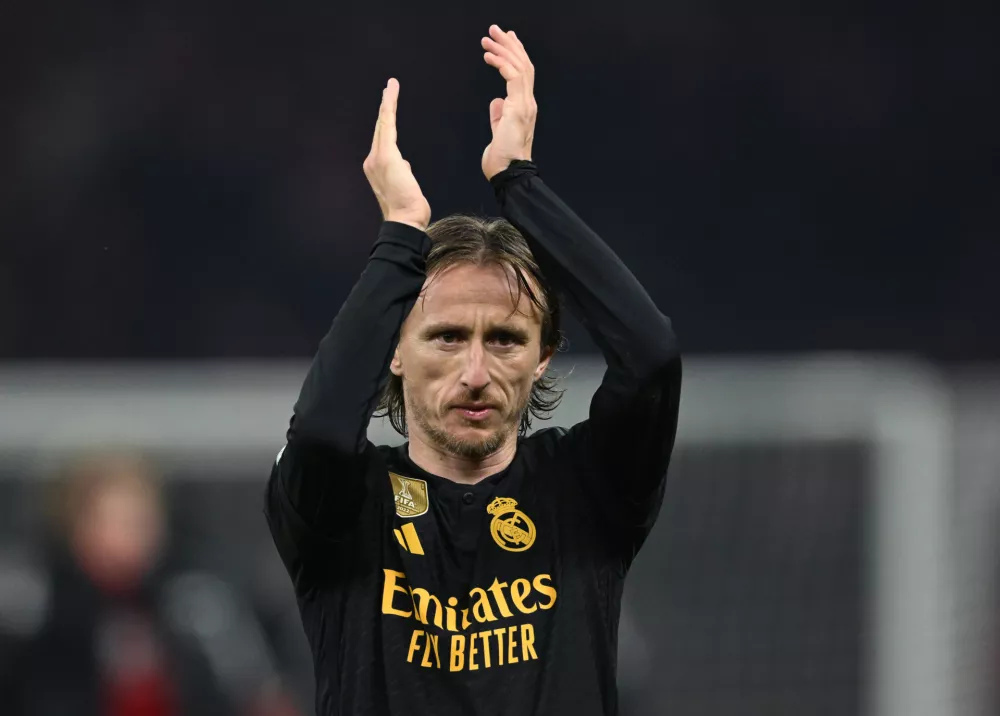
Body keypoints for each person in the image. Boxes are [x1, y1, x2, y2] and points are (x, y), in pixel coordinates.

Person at [264, 25, 681, 716]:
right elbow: (320, 433)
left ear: (545, 355)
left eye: (507, 339)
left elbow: (651, 353)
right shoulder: (346, 507)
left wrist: (518, 180)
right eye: (447, 336)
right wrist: (400, 231)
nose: (476, 371)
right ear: (392, 352)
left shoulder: (586, 490)